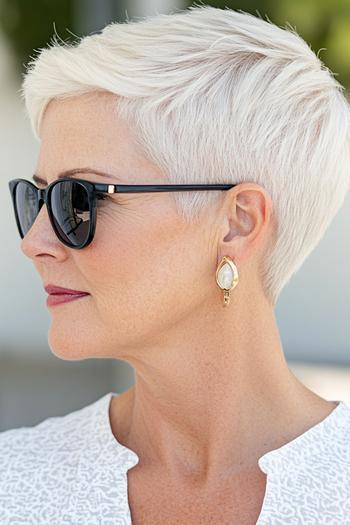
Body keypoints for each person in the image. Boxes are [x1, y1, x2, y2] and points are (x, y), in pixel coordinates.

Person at [2, 4, 350, 524]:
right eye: (36, 198)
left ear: (237, 223)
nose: (35, 241)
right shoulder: (14, 483)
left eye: (79, 200)